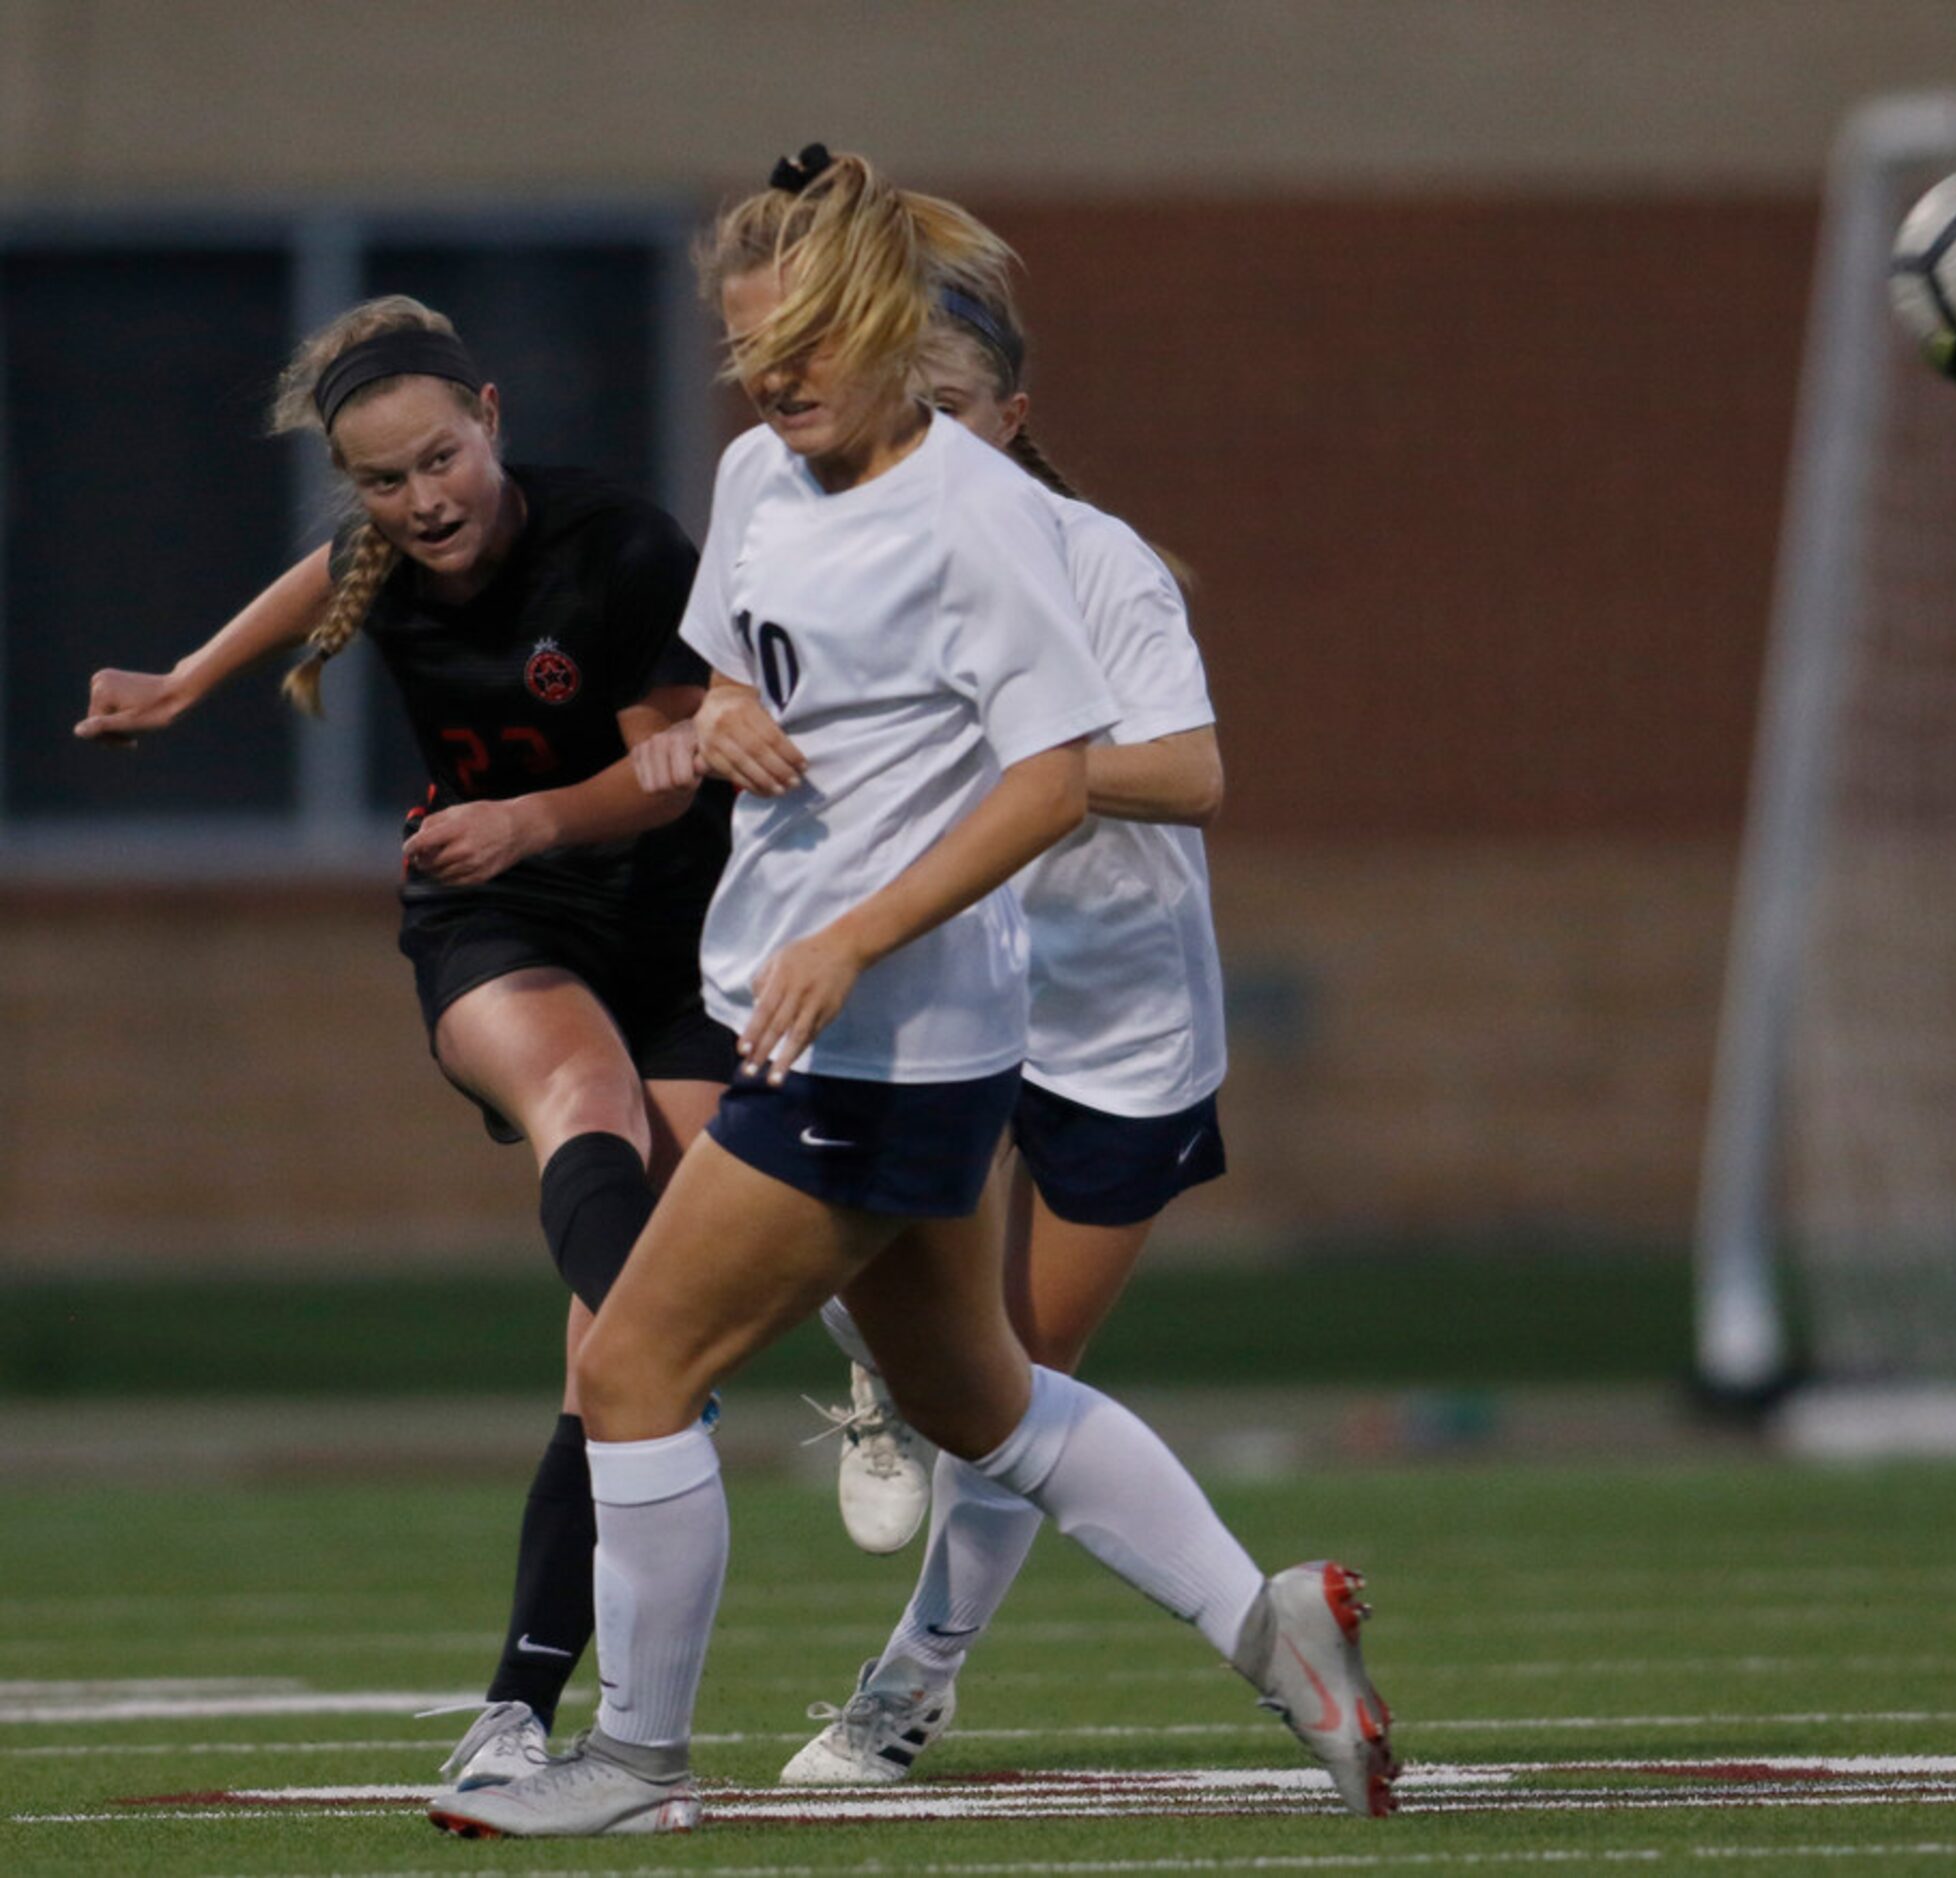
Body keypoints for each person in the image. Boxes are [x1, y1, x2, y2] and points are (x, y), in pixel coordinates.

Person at [425, 147, 1396, 1841]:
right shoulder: (756, 472)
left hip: (883, 1039)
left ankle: (639, 1763)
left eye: (801, 342)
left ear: (883, 322)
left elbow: (1051, 780)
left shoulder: (986, 516)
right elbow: (734, 674)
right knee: (982, 1399)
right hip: (822, 1020)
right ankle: (1272, 1623)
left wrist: (859, 931)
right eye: (750, 350)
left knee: (635, 1369)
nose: (774, 378)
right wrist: (716, 720)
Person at [74, 295, 733, 1792]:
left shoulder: (617, 541)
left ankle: (535, 1699)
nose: (423, 500)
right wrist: (185, 682)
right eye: (383, 479)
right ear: (355, 488)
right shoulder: (384, 555)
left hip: (686, 929)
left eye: (442, 459)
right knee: (587, 1108)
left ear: (491, 418)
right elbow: (325, 580)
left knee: (600, 1364)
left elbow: (673, 773)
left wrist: (531, 815)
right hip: (497, 919)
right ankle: (682, 1354)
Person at [709, 253, 1232, 1783]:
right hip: (944, 982)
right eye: (904, 398)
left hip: (1116, 1006)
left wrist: (1014, 751)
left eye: (955, 404)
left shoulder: (1093, 559)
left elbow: (1192, 775)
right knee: (873, 1284)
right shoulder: (828, 528)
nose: (926, 430)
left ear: (1013, 415)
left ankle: (912, 1684)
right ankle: (880, 1360)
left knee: (1021, 1388)